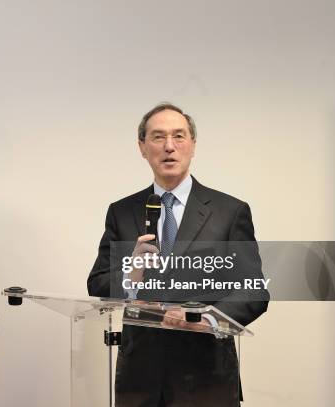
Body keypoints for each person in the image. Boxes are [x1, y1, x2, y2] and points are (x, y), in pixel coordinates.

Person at [87, 103, 269, 406]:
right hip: (140, 378)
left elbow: (254, 291)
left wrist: (208, 318)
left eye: (179, 136)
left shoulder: (229, 212)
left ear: (193, 145)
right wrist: (132, 275)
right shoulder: (122, 212)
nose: (169, 146)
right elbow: (98, 283)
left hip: (206, 374)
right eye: (158, 137)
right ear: (142, 147)